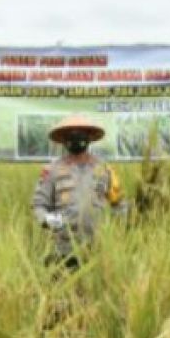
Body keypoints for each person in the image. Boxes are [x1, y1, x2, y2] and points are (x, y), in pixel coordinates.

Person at [31, 115, 124, 269]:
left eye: (81, 133)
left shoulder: (104, 169)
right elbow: (39, 205)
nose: (76, 138)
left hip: (98, 247)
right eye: (71, 134)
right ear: (64, 140)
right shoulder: (52, 170)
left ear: (89, 137)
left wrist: (123, 227)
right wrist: (49, 220)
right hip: (64, 248)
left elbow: (119, 204)